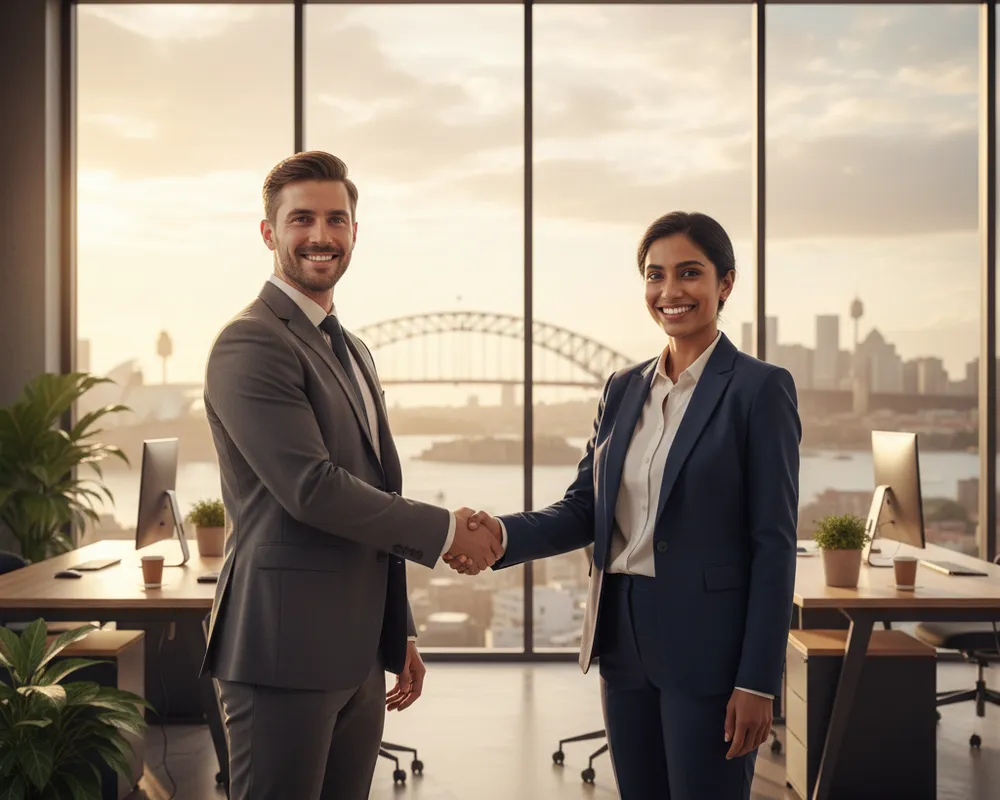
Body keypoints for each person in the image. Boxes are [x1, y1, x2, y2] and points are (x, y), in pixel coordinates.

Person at [449, 211, 800, 799]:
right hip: (622, 637)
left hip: (709, 645)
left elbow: (774, 544)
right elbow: (586, 508)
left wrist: (759, 681)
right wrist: (500, 536)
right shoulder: (623, 387)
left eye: (690, 273)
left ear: (726, 283)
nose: (670, 292)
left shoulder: (759, 389)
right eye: (654, 275)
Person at [199, 150, 503, 800]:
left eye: (336, 220)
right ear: (268, 233)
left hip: (357, 653)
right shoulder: (251, 342)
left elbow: (375, 496)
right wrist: (449, 529)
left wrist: (401, 631)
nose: (320, 235)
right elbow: (312, 489)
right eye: (301, 218)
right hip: (282, 652)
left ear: (355, 234)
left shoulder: (352, 349)